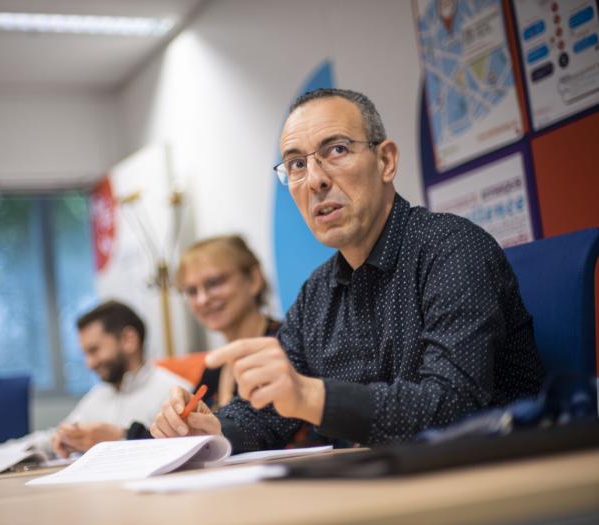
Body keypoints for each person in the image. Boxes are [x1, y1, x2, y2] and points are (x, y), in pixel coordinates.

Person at [150, 88, 544, 452]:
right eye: (297, 164)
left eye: (336, 150)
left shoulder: (452, 250)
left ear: (386, 160)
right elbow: (268, 412)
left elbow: (450, 405)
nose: (316, 180)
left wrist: (308, 397)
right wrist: (211, 427)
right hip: (379, 486)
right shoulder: (317, 292)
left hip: (488, 476)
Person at [0, 300, 190, 457]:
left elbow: (181, 452)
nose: (89, 363)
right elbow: (54, 438)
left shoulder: (175, 391)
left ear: (128, 340)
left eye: (94, 350)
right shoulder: (98, 396)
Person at [125, 234, 282, 440]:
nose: (202, 299)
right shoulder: (215, 366)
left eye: (214, 282)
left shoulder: (285, 343)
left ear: (253, 279)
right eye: (191, 291)